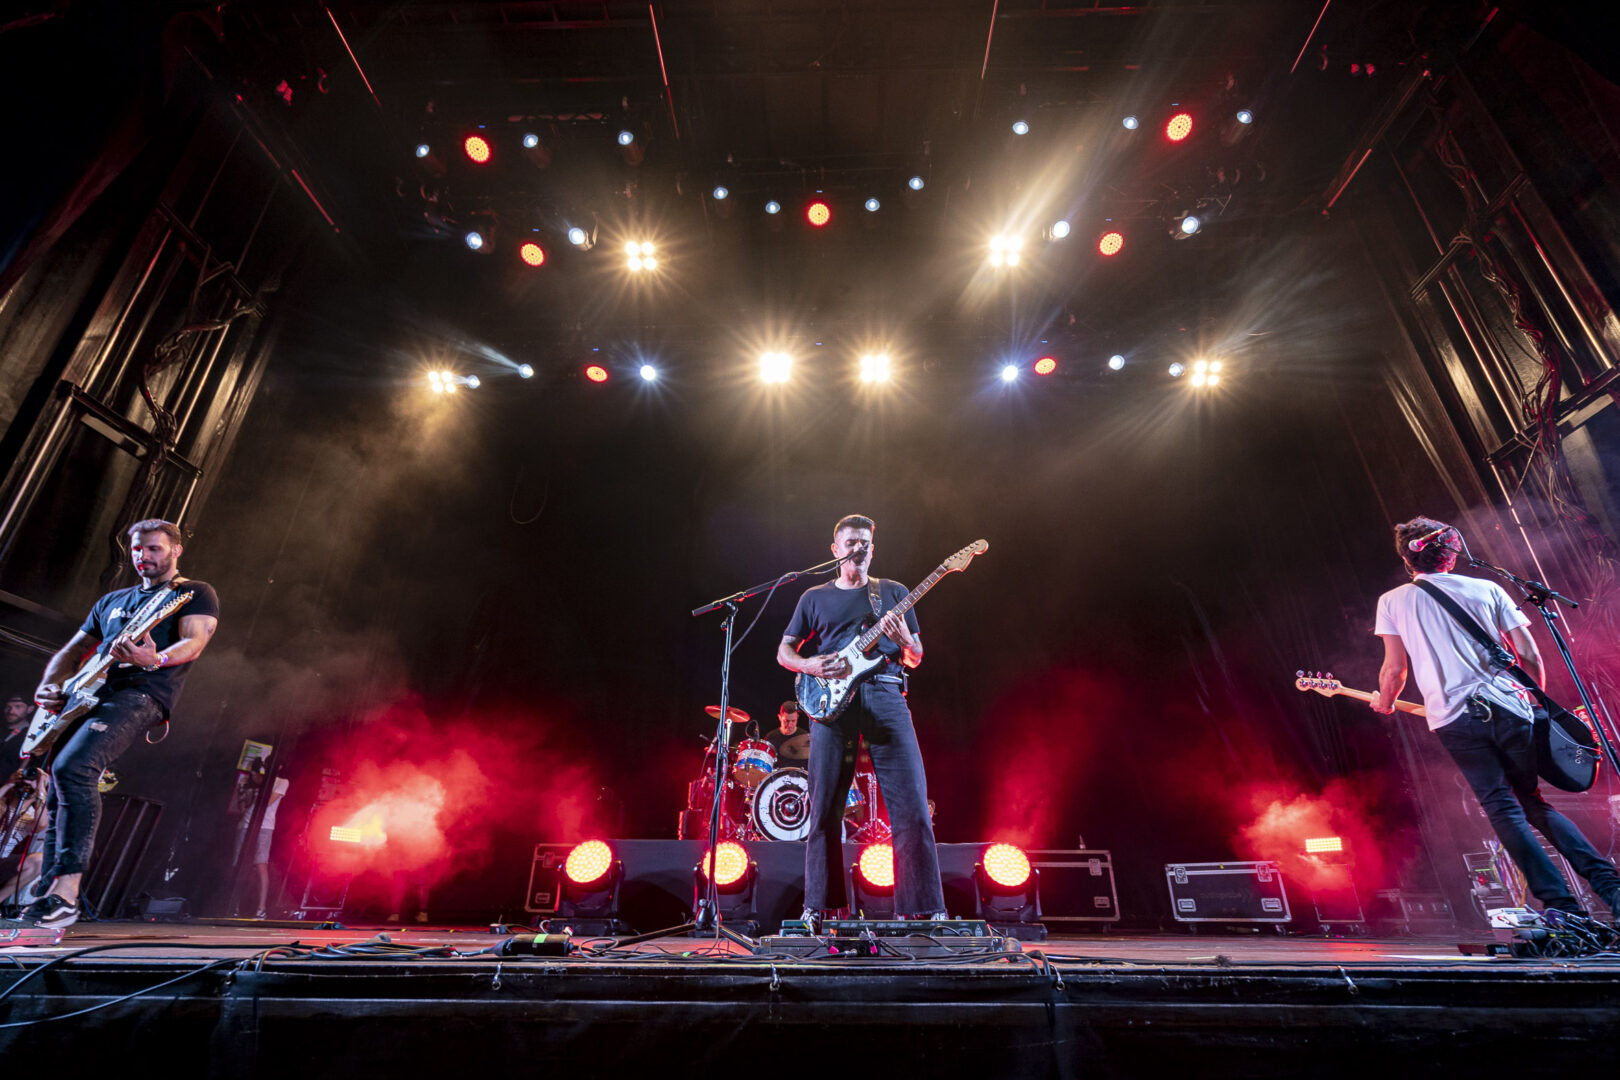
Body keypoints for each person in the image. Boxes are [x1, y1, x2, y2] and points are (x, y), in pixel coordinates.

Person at [1370, 516, 1620, 921]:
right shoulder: (1488, 588)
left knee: (1503, 808)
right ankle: (1611, 889)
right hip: (1512, 708)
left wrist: (1385, 701)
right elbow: (1529, 655)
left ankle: (1561, 906)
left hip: (1456, 718)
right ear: (1451, 554)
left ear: (1407, 559)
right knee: (1533, 803)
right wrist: (1534, 704)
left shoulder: (1393, 600)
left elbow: (1395, 670)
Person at [21, 519, 220, 929]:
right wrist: (50, 686)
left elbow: (194, 641)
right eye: (137, 549)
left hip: (140, 694)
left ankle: (67, 892)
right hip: (84, 697)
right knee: (58, 788)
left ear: (176, 550)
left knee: (74, 767)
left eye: (154, 549)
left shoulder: (193, 593)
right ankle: (47, 895)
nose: (143, 556)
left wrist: (155, 658)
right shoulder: (113, 600)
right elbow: (72, 650)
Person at [777, 513, 945, 926]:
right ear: (835, 549)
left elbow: (915, 657)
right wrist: (811, 665)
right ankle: (821, 908)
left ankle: (923, 910)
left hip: (885, 693)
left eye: (865, 542)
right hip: (831, 702)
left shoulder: (892, 592)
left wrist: (905, 641)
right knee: (824, 809)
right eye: (851, 541)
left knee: (911, 806)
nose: (859, 547)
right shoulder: (813, 597)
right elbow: (784, 652)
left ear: (873, 549)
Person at [0, 694, 30, 782]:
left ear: (30, 709)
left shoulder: (31, 736)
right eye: (8, 707)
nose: (11, 711)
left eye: (18, 707)